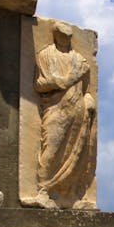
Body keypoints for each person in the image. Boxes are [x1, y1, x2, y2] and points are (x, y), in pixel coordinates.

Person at [25, 22, 97, 209]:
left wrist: (88, 101)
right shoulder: (45, 55)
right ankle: (43, 190)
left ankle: (69, 193)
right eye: (61, 36)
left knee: (77, 150)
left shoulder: (80, 60)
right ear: (56, 36)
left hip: (77, 110)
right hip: (55, 108)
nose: (65, 39)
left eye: (68, 37)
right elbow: (39, 84)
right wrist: (59, 81)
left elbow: (87, 89)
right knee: (51, 149)